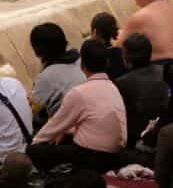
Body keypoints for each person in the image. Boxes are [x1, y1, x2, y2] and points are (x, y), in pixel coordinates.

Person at [27, 39, 126, 173]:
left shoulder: (78, 92)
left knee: (35, 149)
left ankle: (54, 176)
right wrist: (65, 131)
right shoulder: (114, 88)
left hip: (91, 156)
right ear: (107, 63)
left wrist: (34, 143)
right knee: (63, 134)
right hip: (115, 153)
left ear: (82, 65)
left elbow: (53, 126)